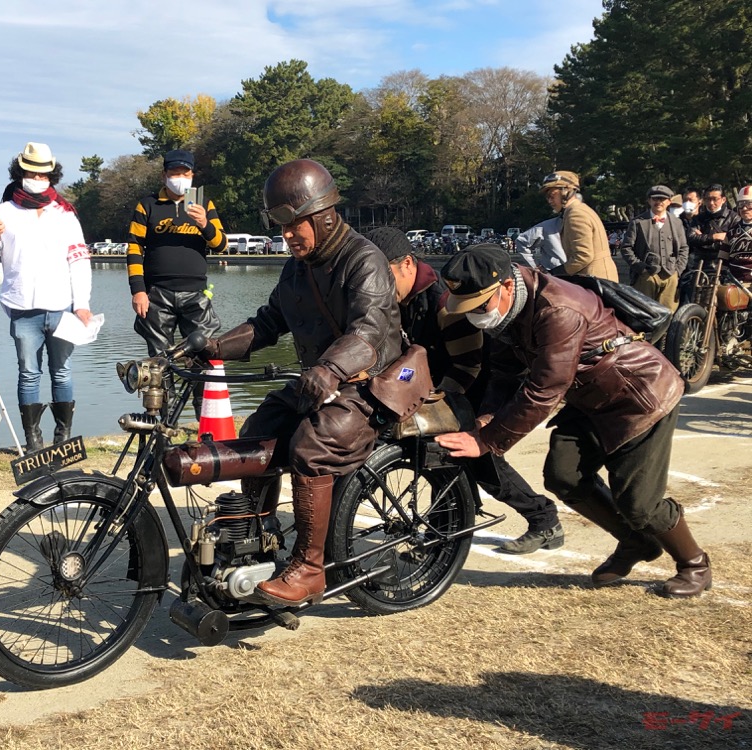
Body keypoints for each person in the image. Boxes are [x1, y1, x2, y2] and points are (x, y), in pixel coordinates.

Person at [433, 244, 711, 598]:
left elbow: (546, 386)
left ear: (504, 286)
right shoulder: (508, 309)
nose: (475, 316)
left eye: (479, 306)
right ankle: (635, 544)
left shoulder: (558, 308)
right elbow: (505, 373)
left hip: (640, 397)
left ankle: (694, 564)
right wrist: (485, 420)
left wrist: (487, 440)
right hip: (591, 398)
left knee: (639, 504)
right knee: (564, 476)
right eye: (467, 308)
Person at [199, 159, 402, 605]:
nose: (288, 236)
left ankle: (310, 569)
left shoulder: (363, 260)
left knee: (313, 445)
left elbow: (368, 332)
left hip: (372, 384)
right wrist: (214, 347)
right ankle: (260, 535)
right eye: (281, 226)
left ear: (326, 215)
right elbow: (270, 321)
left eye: (296, 225)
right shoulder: (297, 268)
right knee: (257, 430)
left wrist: (330, 369)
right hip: (321, 381)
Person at [367, 227, 563, 553]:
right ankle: (449, 528)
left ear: (407, 265)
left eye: (383, 275)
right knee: (445, 460)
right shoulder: (396, 300)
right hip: (437, 387)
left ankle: (544, 520)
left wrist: (432, 404)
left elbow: (468, 365)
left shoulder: (444, 300)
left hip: (478, 386)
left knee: (481, 461)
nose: (378, 286)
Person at [0, 142, 93, 452]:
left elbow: (79, 259)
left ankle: (63, 439)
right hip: (22, 307)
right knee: (28, 373)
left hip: (61, 307)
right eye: (31, 173)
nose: (37, 178)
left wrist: (82, 303)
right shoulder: (3, 211)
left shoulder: (65, 213)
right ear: (21, 172)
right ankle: (33, 441)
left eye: (43, 174)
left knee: (62, 371)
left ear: (51, 175)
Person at [126, 149, 227, 417]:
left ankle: (202, 419)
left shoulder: (204, 203)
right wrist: (138, 290)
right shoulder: (147, 205)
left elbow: (221, 245)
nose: (179, 178)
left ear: (192, 175)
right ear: (164, 175)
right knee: (159, 360)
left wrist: (205, 224)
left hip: (196, 293)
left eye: (185, 173)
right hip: (156, 294)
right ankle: (165, 421)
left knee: (203, 356)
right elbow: (134, 248)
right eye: (174, 173)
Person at [540, 171, 619, 281]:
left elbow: (583, 256)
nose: (549, 200)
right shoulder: (576, 210)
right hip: (595, 277)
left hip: (595, 280)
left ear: (566, 191)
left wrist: (554, 273)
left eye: (552, 195)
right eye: (547, 197)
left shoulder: (576, 214)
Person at [621, 185, 689, 312]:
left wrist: (677, 271)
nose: (658, 202)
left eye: (662, 199)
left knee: (668, 313)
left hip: (670, 275)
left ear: (669, 201)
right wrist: (640, 268)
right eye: (655, 198)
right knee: (644, 313)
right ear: (649, 200)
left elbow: (684, 248)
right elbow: (626, 248)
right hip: (646, 276)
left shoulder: (677, 222)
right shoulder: (637, 222)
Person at [687, 183, 739, 267]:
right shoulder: (698, 218)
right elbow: (691, 238)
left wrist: (703, 239)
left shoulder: (734, 218)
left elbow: (736, 242)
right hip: (700, 265)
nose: (711, 203)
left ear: (723, 199)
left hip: (725, 265)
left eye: (715, 199)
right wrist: (714, 237)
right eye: (708, 199)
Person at [721, 185, 752, 282]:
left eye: (749, 204)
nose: (744, 208)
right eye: (741, 204)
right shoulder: (731, 232)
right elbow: (722, 260)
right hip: (734, 282)